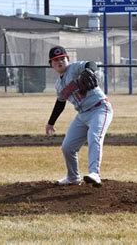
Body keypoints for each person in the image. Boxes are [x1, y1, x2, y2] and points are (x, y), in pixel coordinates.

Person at [45, 46, 113, 187]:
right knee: (67, 147)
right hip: (82, 115)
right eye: (56, 60)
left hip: (100, 108)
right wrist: (51, 123)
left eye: (63, 58)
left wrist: (88, 70)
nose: (60, 62)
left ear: (68, 59)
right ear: (51, 64)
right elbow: (60, 103)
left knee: (94, 136)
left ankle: (95, 173)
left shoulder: (75, 68)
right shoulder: (58, 85)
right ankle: (73, 177)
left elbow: (91, 64)